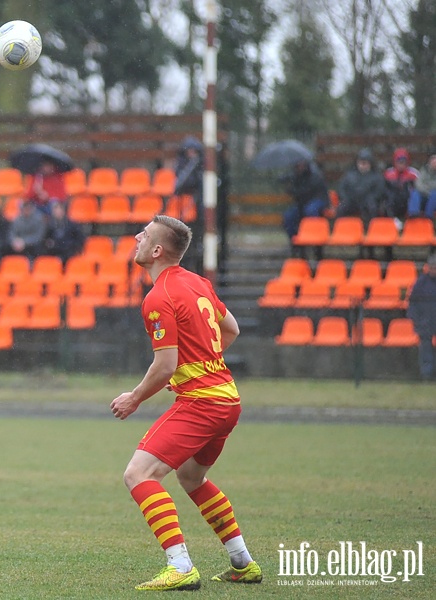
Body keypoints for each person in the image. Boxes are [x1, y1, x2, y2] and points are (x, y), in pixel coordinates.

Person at [110, 215, 261, 591]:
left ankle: (179, 566)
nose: (137, 238)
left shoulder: (158, 296)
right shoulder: (198, 283)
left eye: (143, 235)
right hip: (227, 399)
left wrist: (134, 398)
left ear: (157, 250)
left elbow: (164, 366)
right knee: (192, 477)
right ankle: (242, 562)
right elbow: (232, 329)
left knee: (138, 475)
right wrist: (202, 365)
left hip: (201, 403)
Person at [280, 159, 330, 240]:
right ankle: (294, 240)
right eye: (298, 165)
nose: (300, 167)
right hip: (302, 203)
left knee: (311, 211)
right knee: (289, 216)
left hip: (317, 200)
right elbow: (298, 196)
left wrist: (293, 190)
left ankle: (315, 238)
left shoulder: (315, 176)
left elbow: (308, 191)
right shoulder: (296, 177)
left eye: (302, 164)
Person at [336, 148, 388, 224]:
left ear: (370, 164)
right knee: (342, 207)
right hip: (352, 200)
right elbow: (342, 188)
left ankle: (370, 229)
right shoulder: (349, 175)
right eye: (361, 163)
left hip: (367, 200)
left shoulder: (377, 176)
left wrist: (371, 198)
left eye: (365, 163)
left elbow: (379, 191)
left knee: (372, 207)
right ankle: (340, 228)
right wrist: (346, 197)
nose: (363, 166)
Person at [407, 253, 436, 381]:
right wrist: (416, 321)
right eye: (432, 267)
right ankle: (427, 375)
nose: (433, 269)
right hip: (426, 322)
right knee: (425, 348)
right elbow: (412, 303)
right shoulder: (421, 283)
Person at [383, 148, 419, 222]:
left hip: (407, 200)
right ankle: (393, 220)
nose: (401, 165)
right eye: (399, 162)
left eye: (403, 162)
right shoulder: (388, 174)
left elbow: (417, 189)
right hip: (393, 202)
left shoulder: (413, 174)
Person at [407, 152, 436, 219]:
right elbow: (418, 184)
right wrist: (429, 190)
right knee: (415, 193)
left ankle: (428, 216)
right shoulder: (424, 170)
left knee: (434, 194)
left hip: (433, 196)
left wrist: (428, 187)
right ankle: (413, 213)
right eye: (433, 160)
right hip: (424, 194)